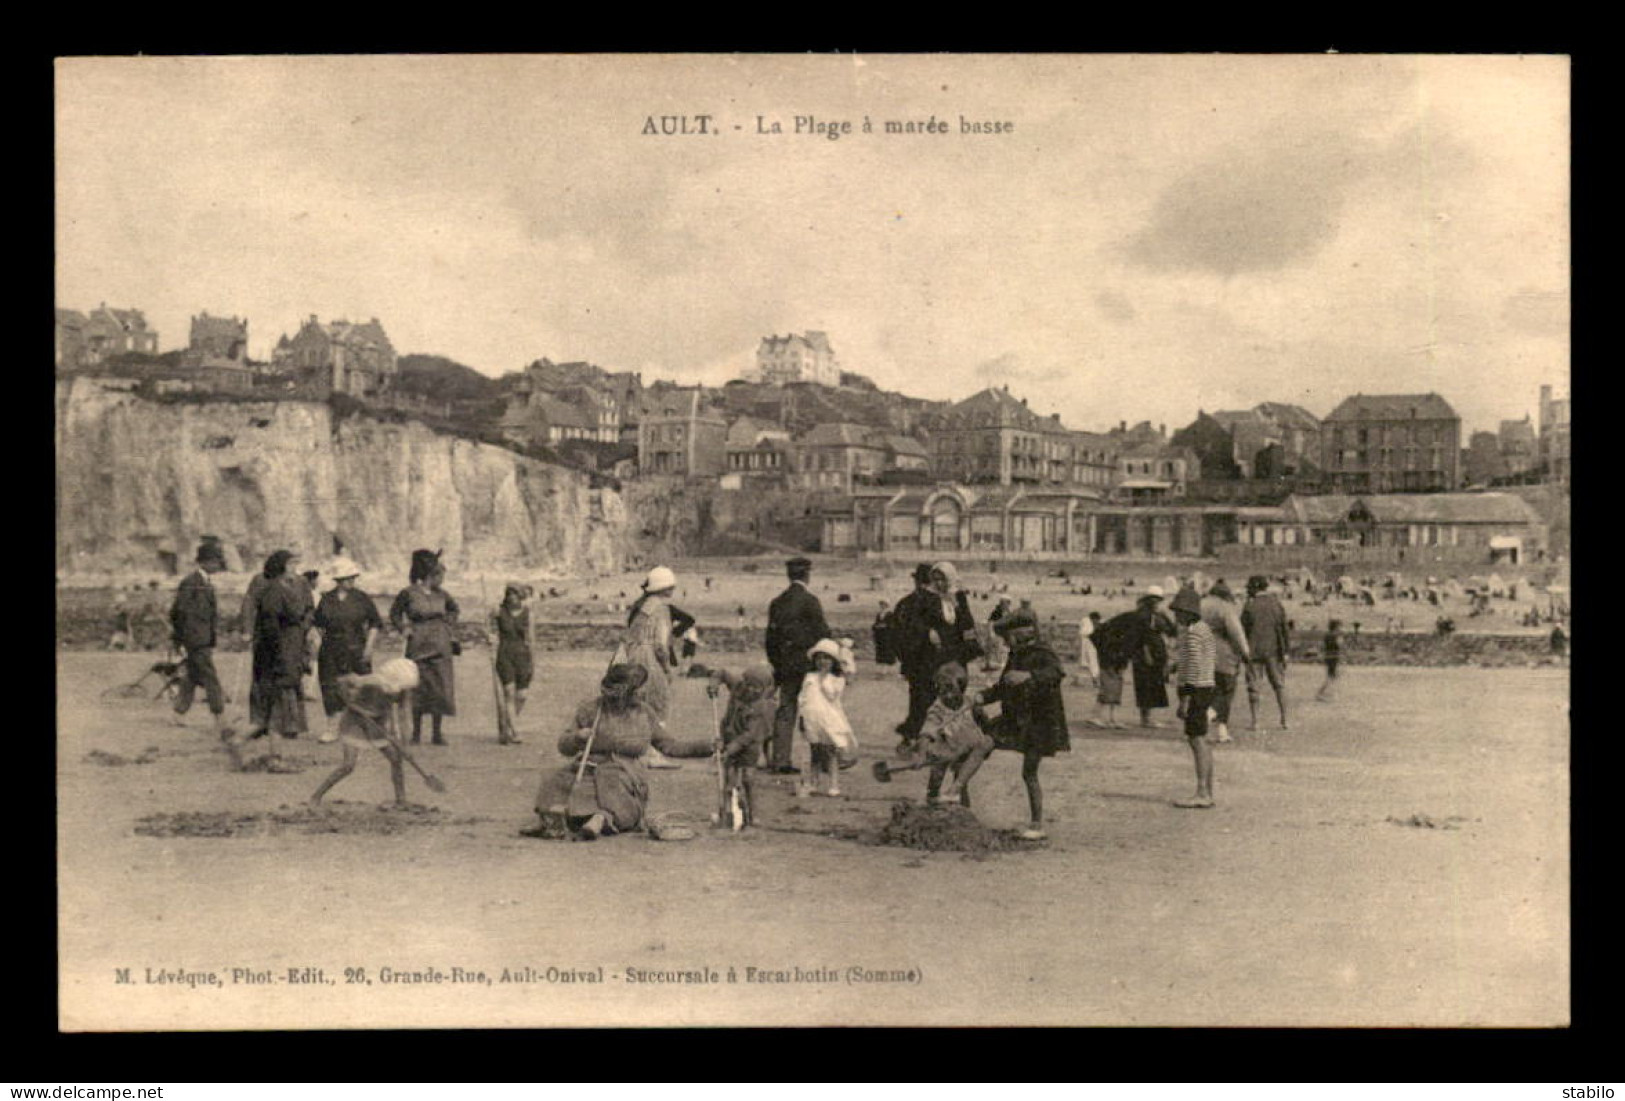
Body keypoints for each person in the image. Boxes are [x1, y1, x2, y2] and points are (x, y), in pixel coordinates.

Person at [533, 663, 713, 841]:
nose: (641, 694)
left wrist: (707, 747)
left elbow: (670, 746)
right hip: (587, 765)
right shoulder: (591, 710)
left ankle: (602, 819)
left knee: (612, 785)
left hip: (625, 771)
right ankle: (552, 817)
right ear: (624, 692)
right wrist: (578, 737)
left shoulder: (644, 713)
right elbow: (563, 746)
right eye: (636, 690)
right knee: (556, 780)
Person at [980, 609, 1069, 840]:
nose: (1005, 642)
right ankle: (957, 795)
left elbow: (1056, 673)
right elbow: (1003, 687)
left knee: (1029, 772)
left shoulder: (1042, 652)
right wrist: (982, 697)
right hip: (1016, 719)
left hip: (1040, 722)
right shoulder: (1015, 655)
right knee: (982, 744)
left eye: (1006, 637)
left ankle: (1037, 824)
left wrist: (1028, 676)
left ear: (1022, 632)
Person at [309, 659, 418, 807]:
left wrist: (405, 745)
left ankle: (401, 800)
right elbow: (341, 682)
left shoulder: (405, 690)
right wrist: (349, 702)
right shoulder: (370, 682)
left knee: (396, 759)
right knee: (348, 765)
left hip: (377, 724)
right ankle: (316, 796)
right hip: (355, 722)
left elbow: (405, 715)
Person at [895, 562, 982, 743]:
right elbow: (914, 621)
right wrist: (928, 632)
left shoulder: (958, 596)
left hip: (954, 654)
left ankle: (949, 736)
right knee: (925, 696)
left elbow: (966, 622)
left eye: (943, 579)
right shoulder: (925, 598)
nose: (939, 583)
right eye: (935, 579)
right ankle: (918, 737)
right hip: (931, 654)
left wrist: (969, 646)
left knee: (952, 695)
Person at [764, 557, 831, 774]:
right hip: (807, 666)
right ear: (807, 575)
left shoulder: (777, 602)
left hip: (784, 666)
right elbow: (823, 634)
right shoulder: (810, 601)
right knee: (813, 711)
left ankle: (780, 759)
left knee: (786, 711)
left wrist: (777, 664)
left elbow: (770, 639)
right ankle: (818, 761)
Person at [617, 566, 683, 769]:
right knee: (658, 704)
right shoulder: (661, 609)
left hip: (633, 655)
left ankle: (638, 750)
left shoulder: (643, 605)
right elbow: (660, 645)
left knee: (638, 703)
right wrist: (666, 668)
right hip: (649, 658)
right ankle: (651, 752)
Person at [390, 549, 459, 745]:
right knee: (417, 687)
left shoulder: (443, 595)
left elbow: (454, 609)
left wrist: (447, 625)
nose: (443, 580)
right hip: (418, 644)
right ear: (431, 575)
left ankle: (437, 733)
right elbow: (395, 613)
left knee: (440, 688)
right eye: (440, 576)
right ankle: (416, 733)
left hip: (440, 645)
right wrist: (404, 628)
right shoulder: (409, 593)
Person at [312, 557, 382, 744]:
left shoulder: (362, 598)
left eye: (353, 577)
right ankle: (332, 728)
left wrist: (369, 647)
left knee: (362, 687)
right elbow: (318, 624)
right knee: (330, 687)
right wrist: (324, 640)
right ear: (338, 580)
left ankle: (365, 728)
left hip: (356, 648)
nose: (351, 581)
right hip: (331, 649)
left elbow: (375, 624)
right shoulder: (327, 599)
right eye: (347, 578)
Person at [168, 539, 231, 740]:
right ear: (203, 562)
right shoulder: (190, 583)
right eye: (215, 562)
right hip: (195, 640)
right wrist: (181, 639)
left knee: (192, 677)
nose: (218, 565)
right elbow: (178, 612)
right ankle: (220, 718)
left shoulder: (205, 583)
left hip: (201, 639)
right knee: (210, 678)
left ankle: (178, 713)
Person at [250, 549, 313, 744]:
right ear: (281, 566)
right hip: (282, 643)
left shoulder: (295, 584)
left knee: (291, 681)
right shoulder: (274, 589)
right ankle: (273, 726)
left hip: (293, 641)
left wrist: (304, 628)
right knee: (281, 684)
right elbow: (271, 623)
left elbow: (307, 609)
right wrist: (277, 648)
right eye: (291, 564)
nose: (295, 568)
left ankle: (289, 724)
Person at [914, 661, 994, 809]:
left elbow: (984, 721)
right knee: (937, 771)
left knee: (961, 780)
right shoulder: (938, 709)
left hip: (967, 746)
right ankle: (932, 796)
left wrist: (987, 734)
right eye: (943, 691)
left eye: (952, 690)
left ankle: (963, 810)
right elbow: (926, 732)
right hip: (947, 747)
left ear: (962, 688)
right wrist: (921, 754)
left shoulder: (970, 703)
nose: (948, 695)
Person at [706, 664, 777, 829]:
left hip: (749, 745)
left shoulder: (761, 707)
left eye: (757, 688)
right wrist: (714, 684)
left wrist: (731, 748)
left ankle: (754, 814)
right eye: (749, 685)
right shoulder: (737, 685)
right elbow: (721, 671)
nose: (751, 690)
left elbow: (749, 735)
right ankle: (726, 811)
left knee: (748, 778)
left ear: (765, 689)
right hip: (730, 737)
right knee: (728, 778)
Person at [1170, 585, 1219, 809]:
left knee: (1196, 739)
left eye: (1178, 611)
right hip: (1206, 686)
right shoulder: (1204, 630)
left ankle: (1202, 792)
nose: (1175, 615)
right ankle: (1207, 790)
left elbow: (1194, 666)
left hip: (1196, 689)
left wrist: (1185, 698)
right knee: (1202, 740)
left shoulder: (1193, 633)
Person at [797, 638, 858, 797]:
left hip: (828, 720)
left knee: (830, 753)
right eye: (819, 658)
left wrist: (824, 679)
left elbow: (831, 695)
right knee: (814, 752)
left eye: (827, 658)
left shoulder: (837, 679)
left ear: (833, 662)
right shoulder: (809, 676)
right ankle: (813, 783)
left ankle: (834, 784)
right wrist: (802, 717)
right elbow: (803, 698)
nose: (822, 662)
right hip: (812, 719)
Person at [1200, 580, 1251, 744]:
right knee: (1226, 691)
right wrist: (1245, 653)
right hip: (1222, 655)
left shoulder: (1199, 604)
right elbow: (1236, 633)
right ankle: (1213, 721)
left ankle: (1217, 730)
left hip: (1200, 652)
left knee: (1206, 692)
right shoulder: (1225, 608)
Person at [1242, 574, 1291, 731]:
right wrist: (1286, 652)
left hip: (1253, 651)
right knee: (1279, 685)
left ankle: (1255, 722)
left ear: (1254, 588)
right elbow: (1284, 630)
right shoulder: (1276, 604)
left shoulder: (1249, 606)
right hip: (1274, 650)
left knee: (1254, 687)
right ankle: (1284, 719)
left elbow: (1242, 630)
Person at [492, 582, 534, 746]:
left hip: (523, 655)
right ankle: (515, 731)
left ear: (521, 597)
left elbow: (531, 638)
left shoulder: (528, 614)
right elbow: (488, 628)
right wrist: (489, 637)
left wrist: (533, 660)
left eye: (515, 595)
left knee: (522, 696)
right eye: (509, 595)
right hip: (504, 654)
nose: (512, 598)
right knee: (509, 693)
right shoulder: (499, 612)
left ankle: (507, 725)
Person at [1130, 587, 1173, 728]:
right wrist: (1146, 653)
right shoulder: (1143, 615)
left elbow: (1172, 630)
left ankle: (1147, 717)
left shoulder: (1155, 615)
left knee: (1151, 685)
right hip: (1146, 654)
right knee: (1146, 685)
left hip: (1155, 653)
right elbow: (1140, 637)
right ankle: (1146, 718)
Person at [1315, 618, 1343, 702]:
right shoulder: (1336, 635)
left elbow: (1322, 646)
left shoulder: (1327, 635)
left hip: (1328, 657)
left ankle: (1325, 693)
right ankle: (1322, 693)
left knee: (1333, 675)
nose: (1340, 628)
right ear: (1336, 626)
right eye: (1339, 626)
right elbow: (1340, 645)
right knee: (1331, 676)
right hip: (1334, 657)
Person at [1075, 610, 1101, 687]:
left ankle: (1090, 680)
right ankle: (1094, 680)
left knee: (1086, 662)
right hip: (1089, 643)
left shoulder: (1085, 622)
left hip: (1087, 643)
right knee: (1092, 661)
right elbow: (1086, 632)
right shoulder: (1087, 623)